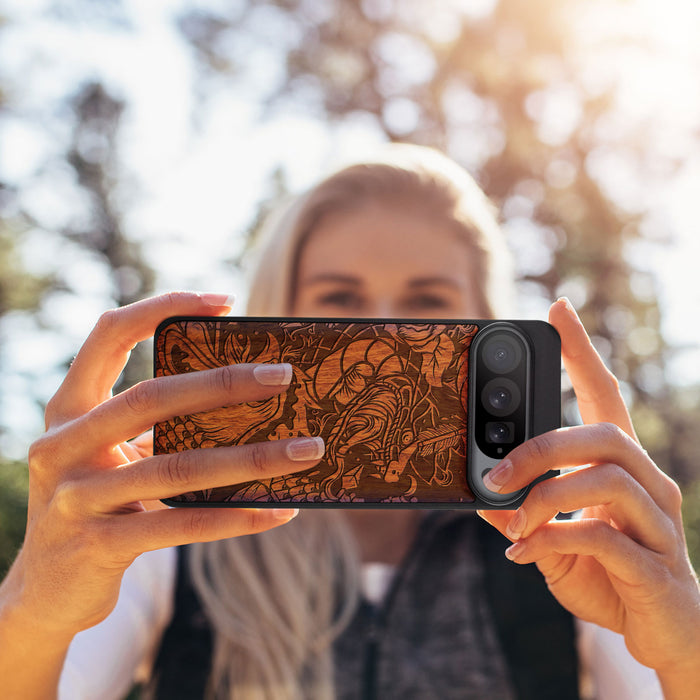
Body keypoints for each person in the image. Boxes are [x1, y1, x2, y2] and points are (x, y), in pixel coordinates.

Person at [0, 145, 698, 700]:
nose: (383, 332)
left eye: (427, 302)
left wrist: (685, 648)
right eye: (339, 298)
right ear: (279, 315)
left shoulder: (567, 543)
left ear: (487, 324)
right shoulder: (170, 535)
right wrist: (34, 607)